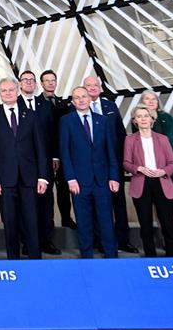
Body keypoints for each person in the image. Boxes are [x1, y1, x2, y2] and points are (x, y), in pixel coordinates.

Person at [0, 79, 49, 260]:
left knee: (32, 221)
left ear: (17, 91)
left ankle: (35, 260)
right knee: (10, 222)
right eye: (4, 90)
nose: (7, 93)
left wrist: (43, 177)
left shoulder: (30, 115)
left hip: (29, 178)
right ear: (0, 93)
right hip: (5, 179)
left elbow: (41, 149)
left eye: (11, 90)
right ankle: (13, 261)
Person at [59, 87, 120, 259]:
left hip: (102, 181)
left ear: (89, 98)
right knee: (84, 223)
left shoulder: (103, 120)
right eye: (77, 98)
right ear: (73, 101)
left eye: (84, 96)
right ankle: (87, 258)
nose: (81, 100)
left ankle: (111, 256)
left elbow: (111, 151)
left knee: (106, 221)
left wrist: (114, 177)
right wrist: (70, 178)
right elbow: (65, 153)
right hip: (79, 182)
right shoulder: (66, 121)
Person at [82, 75, 136, 253]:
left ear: (99, 87)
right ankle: (100, 241)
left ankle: (123, 240)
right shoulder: (78, 109)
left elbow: (121, 135)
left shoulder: (110, 106)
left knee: (118, 203)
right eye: (88, 86)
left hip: (113, 164)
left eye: (95, 85)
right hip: (91, 167)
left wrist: (123, 161)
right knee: (96, 205)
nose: (92, 88)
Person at [124, 105, 173, 258]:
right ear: (135, 121)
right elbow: (126, 163)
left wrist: (163, 171)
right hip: (141, 184)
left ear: (152, 120)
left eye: (145, 116)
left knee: (167, 223)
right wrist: (139, 169)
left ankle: (172, 255)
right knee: (145, 224)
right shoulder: (129, 140)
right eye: (139, 116)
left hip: (162, 182)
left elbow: (172, 163)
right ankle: (150, 256)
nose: (143, 119)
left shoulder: (163, 139)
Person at [140, 90, 173, 251]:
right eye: (146, 99)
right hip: (152, 169)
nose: (150, 101)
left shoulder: (167, 118)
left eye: (153, 99)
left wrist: (169, 162)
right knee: (159, 203)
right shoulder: (139, 119)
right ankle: (166, 237)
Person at [18, 70, 60, 255]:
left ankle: (46, 241)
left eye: (31, 80)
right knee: (25, 205)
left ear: (36, 84)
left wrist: (55, 156)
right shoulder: (14, 105)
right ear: (20, 84)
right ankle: (28, 242)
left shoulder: (45, 105)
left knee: (46, 203)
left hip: (45, 163)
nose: (28, 83)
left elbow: (53, 132)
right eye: (25, 80)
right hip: (22, 164)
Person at [39, 70, 74, 229]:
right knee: (46, 193)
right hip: (44, 154)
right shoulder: (36, 103)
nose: (50, 83)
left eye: (53, 80)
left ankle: (66, 218)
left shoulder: (63, 103)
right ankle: (48, 223)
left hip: (62, 153)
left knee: (63, 188)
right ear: (42, 83)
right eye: (47, 81)